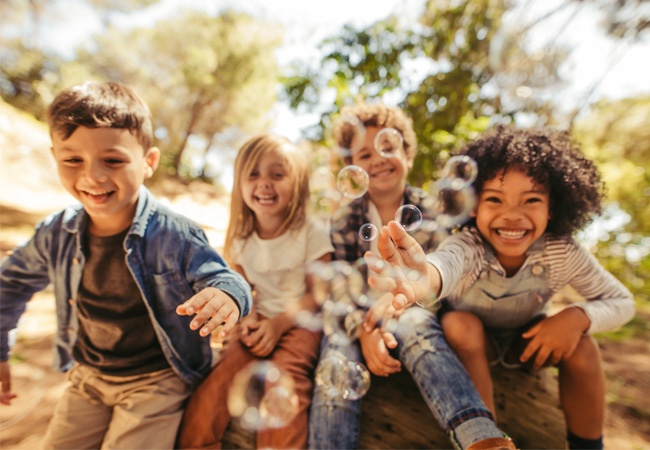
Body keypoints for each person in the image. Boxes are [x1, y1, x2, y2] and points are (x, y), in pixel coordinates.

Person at [0, 81, 252, 449]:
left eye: (113, 160)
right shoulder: (56, 233)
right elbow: (10, 284)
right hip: (89, 376)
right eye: (73, 160)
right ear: (55, 156)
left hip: (157, 381)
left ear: (148, 162)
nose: (93, 176)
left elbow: (227, 279)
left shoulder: (176, 234)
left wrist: (225, 296)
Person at [367, 125, 636, 450]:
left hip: (528, 340)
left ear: (553, 208)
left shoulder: (561, 251)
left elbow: (622, 301)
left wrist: (577, 317)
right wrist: (425, 277)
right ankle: (486, 438)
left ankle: (588, 445)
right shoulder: (469, 245)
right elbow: (445, 265)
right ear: (473, 206)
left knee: (583, 345)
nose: (512, 215)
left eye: (531, 200)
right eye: (495, 199)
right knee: (459, 323)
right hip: (473, 341)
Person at [309, 102, 516, 450]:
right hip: (357, 319)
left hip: (413, 310)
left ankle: (483, 439)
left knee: (417, 327)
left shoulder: (432, 211)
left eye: (387, 147)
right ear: (351, 169)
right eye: (364, 153)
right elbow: (341, 288)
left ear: (407, 154)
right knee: (336, 353)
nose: (377, 158)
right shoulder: (345, 220)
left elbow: (440, 284)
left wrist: (395, 309)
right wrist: (365, 330)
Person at [176, 134, 334, 449]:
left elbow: (319, 293)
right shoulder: (240, 239)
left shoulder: (312, 231)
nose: (264, 183)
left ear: (298, 183)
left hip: (301, 322)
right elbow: (242, 287)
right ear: (240, 184)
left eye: (277, 174)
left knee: (289, 382)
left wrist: (277, 325)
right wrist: (247, 318)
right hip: (258, 320)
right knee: (222, 377)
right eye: (253, 174)